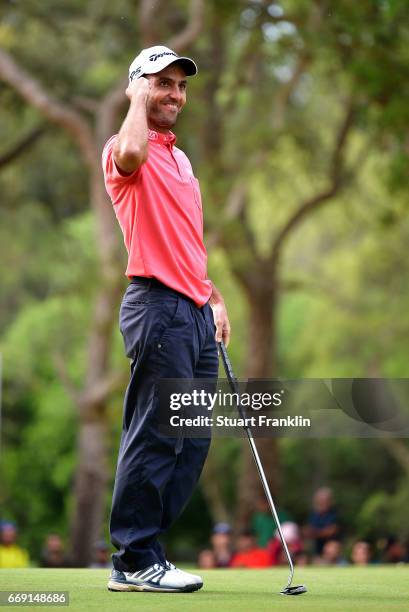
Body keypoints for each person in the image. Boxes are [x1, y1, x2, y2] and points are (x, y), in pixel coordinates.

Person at [102, 45, 230, 594]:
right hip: (157, 307)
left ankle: (149, 552)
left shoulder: (181, 160)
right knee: (155, 434)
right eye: (163, 83)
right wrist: (135, 97)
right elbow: (131, 153)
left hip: (195, 311)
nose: (175, 94)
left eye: (181, 86)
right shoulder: (123, 148)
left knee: (192, 438)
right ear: (138, 87)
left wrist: (215, 296)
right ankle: (132, 560)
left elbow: (188, 244)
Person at [306, 487, 340, 556]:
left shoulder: (335, 514)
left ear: (330, 501)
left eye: (324, 501)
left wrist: (315, 533)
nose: (321, 503)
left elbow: (331, 531)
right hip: (317, 549)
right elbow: (307, 531)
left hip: (333, 551)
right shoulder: (314, 515)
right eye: (319, 501)